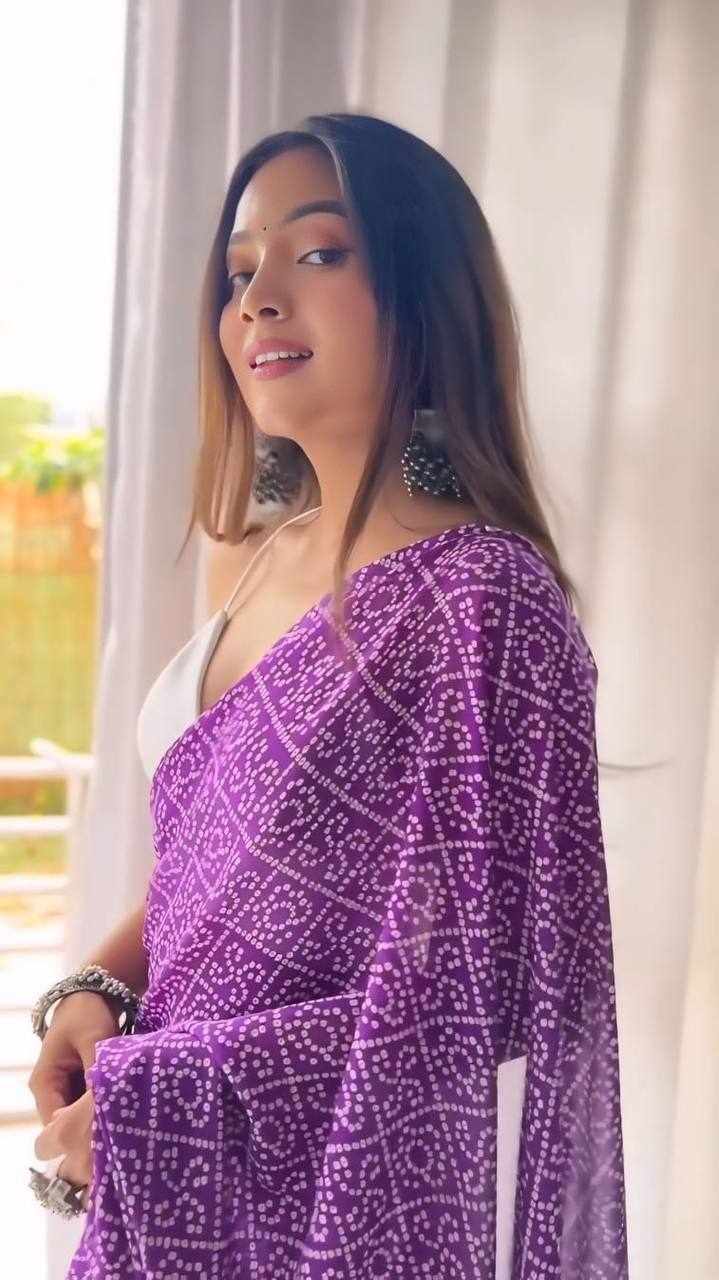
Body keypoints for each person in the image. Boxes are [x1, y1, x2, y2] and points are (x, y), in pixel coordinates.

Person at [28, 111, 629, 1278]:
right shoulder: (252, 557)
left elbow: (481, 989)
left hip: (330, 1214)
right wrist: (100, 985)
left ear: (423, 291)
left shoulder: (483, 599)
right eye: (238, 271)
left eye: (317, 252)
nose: (257, 300)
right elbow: (215, 864)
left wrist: (167, 1092)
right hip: (171, 1191)